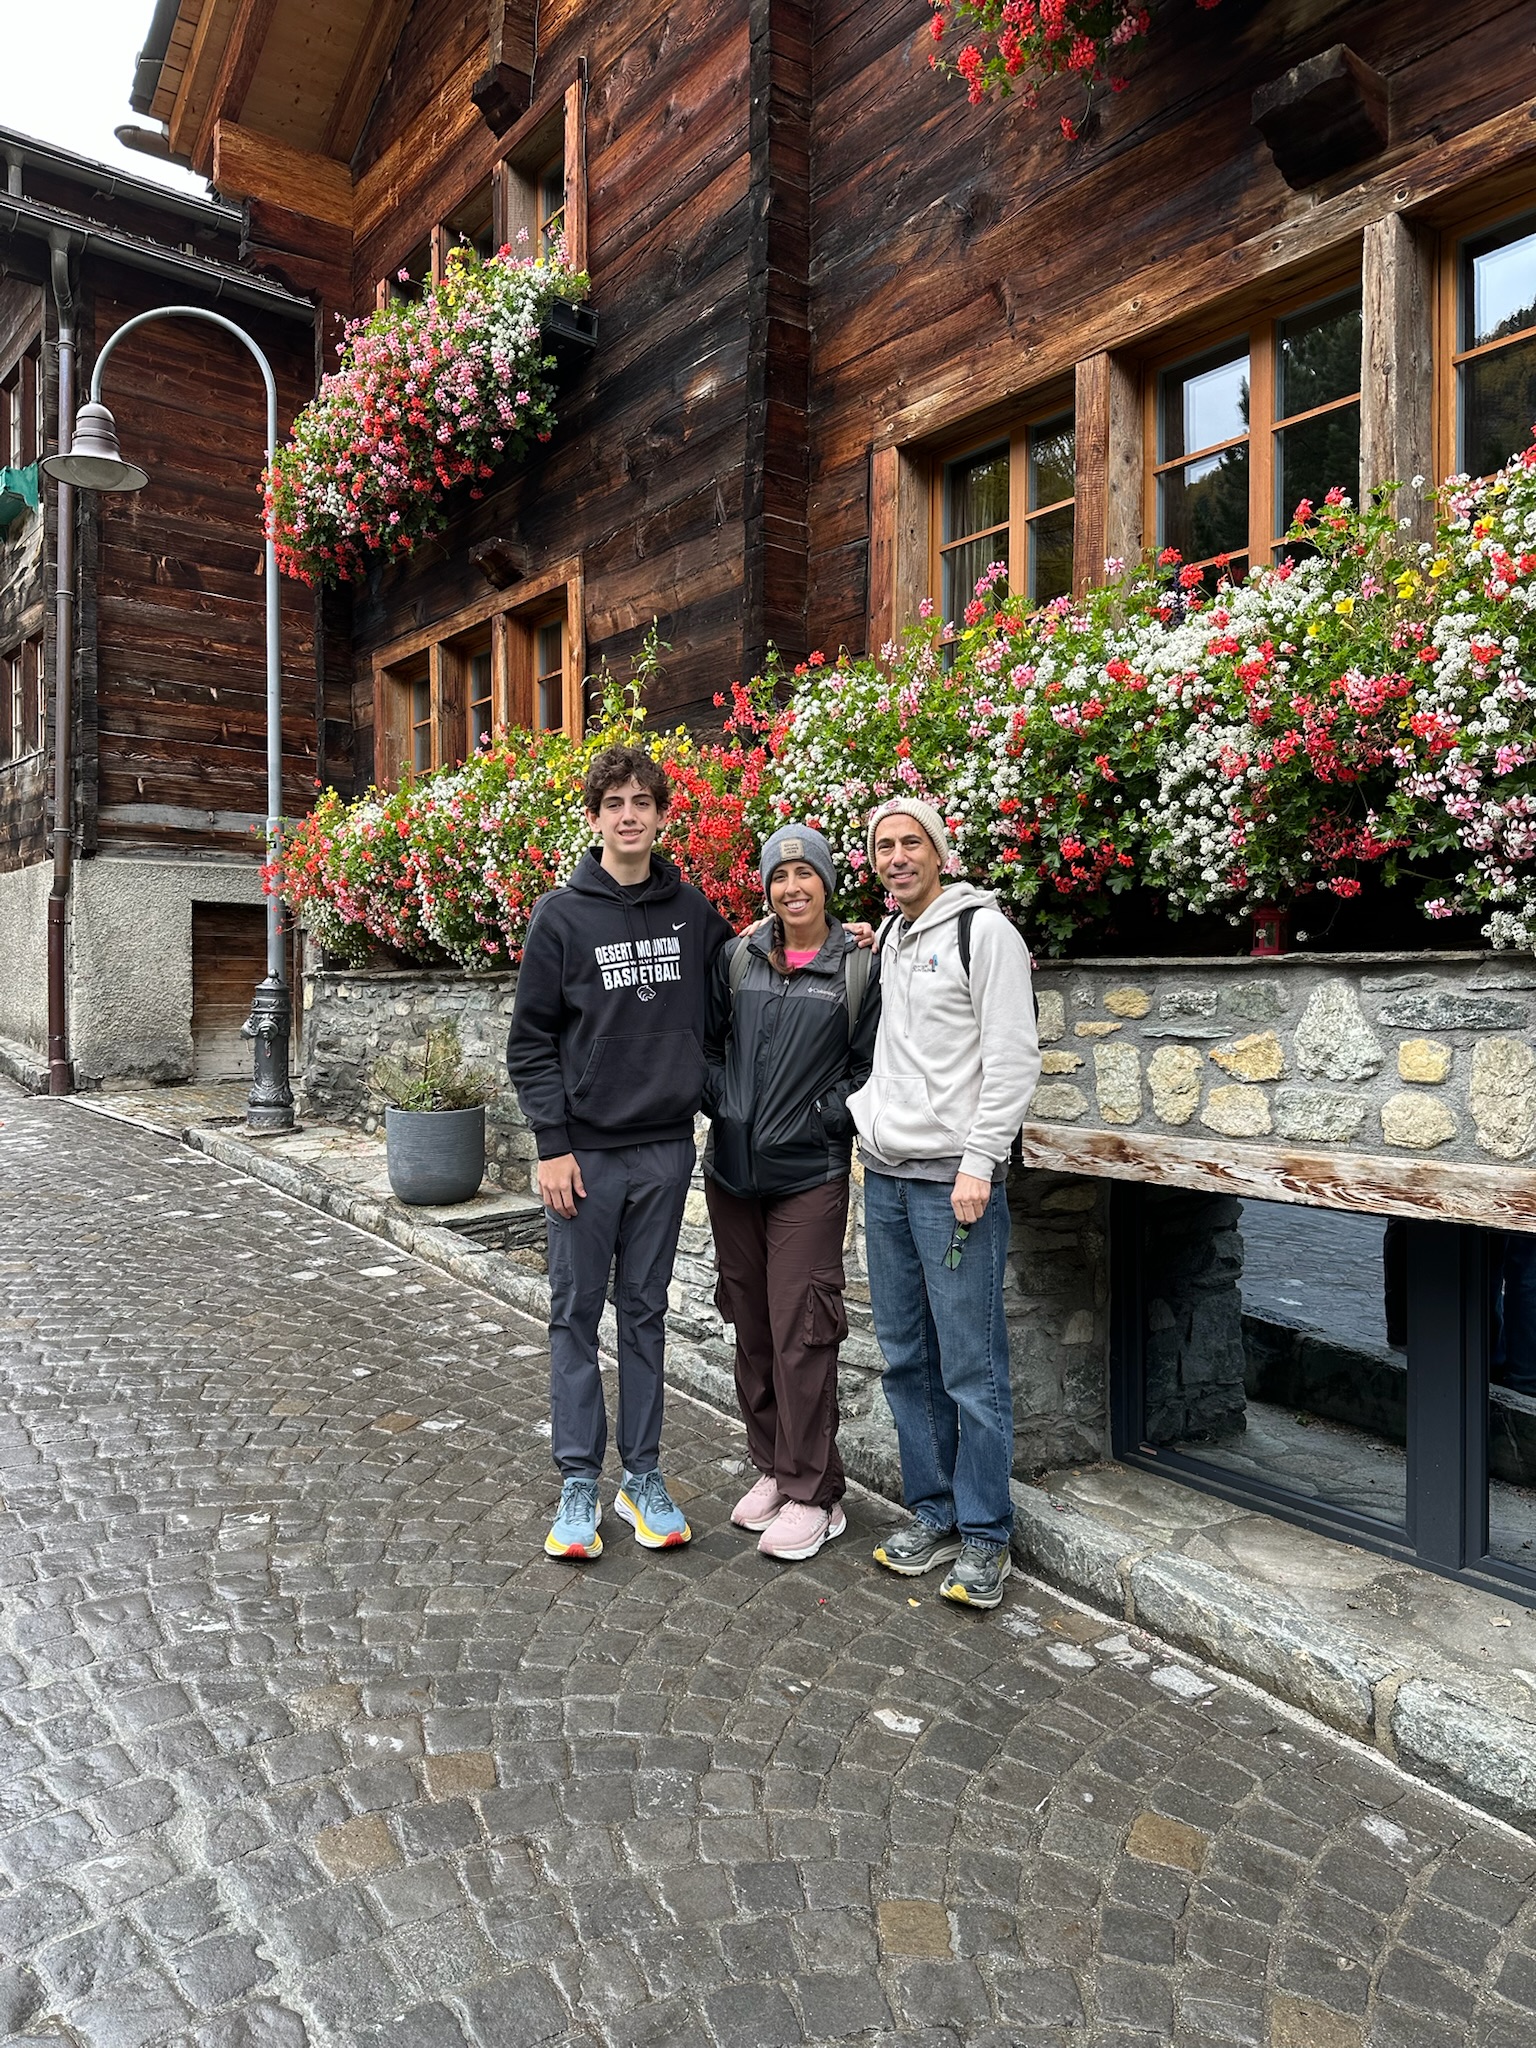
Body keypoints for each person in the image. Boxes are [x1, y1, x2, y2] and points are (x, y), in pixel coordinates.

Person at [507, 744, 733, 1561]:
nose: (630, 814)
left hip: (665, 1151)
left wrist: (839, 942)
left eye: (643, 801)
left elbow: (744, 977)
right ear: (597, 817)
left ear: (663, 815)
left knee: (644, 1314)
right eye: (615, 803)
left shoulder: (693, 910)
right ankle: (578, 1481)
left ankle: (642, 1474)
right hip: (585, 1160)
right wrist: (552, 1145)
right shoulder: (560, 917)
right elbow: (530, 1043)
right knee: (575, 1312)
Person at [848, 797, 1040, 1610]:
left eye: (910, 843)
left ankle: (987, 1534)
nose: (897, 856)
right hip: (885, 1175)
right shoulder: (892, 936)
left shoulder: (983, 932)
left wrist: (979, 1162)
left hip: (950, 1184)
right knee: (905, 1357)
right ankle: (933, 1514)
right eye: (884, 846)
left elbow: (1013, 1059)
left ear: (940, 851)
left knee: (970, 1365)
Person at [703, 825, 881, 1561]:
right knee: (752, 1327)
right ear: (767, 887)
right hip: (731, 1173)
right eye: (780, 876)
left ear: (828, 884)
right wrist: (723, 1101)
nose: (792, 888)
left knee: (804, 1329)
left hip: (809, 1175)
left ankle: (815, 1494)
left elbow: (872, 1068)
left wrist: (822, 1119)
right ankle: (775, 1467)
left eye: (806, 874)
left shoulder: (859, 966)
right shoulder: (738, 956)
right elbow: (706, 1043)